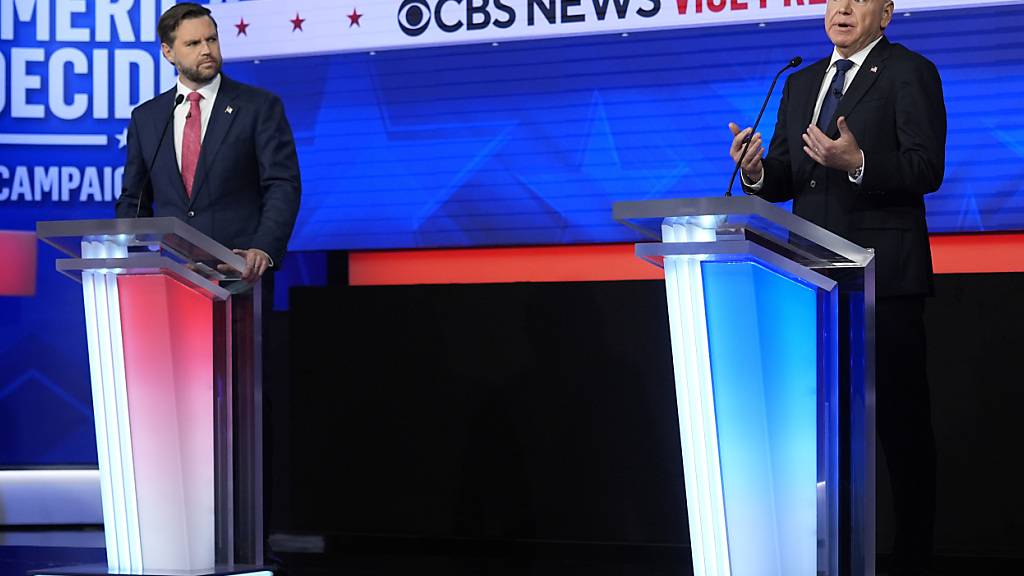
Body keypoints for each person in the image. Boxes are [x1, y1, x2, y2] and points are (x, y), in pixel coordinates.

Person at [727, 1, 945, 575]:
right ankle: (826, 552)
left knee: (900, 428)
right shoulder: (799, 82)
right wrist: (754, 170)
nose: (842, 8)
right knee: (822, 428)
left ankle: (914, 556)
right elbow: (782, 177)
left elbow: (927, 168)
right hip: (811, 281)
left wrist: (859, 162)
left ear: (886, 13)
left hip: (884, 280)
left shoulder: (908, 71)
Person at [116, 2, 301, 282]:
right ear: (168, 52)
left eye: (211, 39)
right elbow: (134, 198)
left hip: (239, 274)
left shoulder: (259, 107)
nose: (206, 50)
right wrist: (138, 258)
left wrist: (263, 249)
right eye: (193, 43)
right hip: (169, 276)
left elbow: (282, 185)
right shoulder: (147, 118)